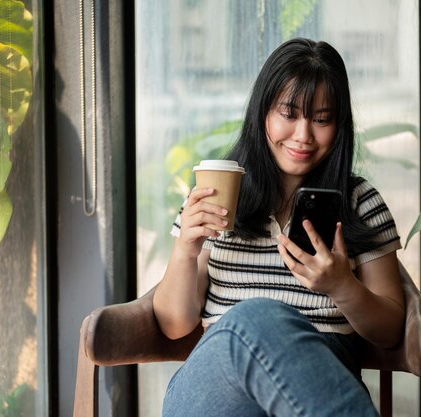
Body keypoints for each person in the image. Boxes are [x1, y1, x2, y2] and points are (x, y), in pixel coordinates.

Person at [153, 38, 404, 417]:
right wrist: (186, 249)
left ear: (339, 125)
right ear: (263, 113)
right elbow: (174, 325)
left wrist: (342, 286)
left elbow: (390, 330)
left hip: (317, 388)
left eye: (321, 119)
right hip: (215, 390)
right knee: (253, 320)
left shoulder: (358, 201)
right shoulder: (215, 195)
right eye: (289, 114)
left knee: (260, 321)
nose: (303, 135)